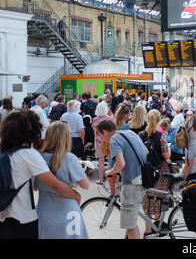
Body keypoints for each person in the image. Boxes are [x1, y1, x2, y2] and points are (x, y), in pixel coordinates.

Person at [0, 111, 81, 239]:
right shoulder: (28, 154)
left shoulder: (4, 152)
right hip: (23, 219)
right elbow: (56, 186)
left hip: (4, 218)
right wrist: (75, 195)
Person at [95, 119, 148, 239]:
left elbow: (120, 164)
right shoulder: (129, 133)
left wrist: (110, 172)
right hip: (143, 178)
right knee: (132, 220)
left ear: (104, 131)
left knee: (129, 225)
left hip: (132, 182)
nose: (102, 139)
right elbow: (146, 151)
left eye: (100, 136)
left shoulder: (114, 140)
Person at [35, 122, 90, 239]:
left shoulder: (37, 157)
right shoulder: (69, 158)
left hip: (45, 210)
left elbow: (34, 186)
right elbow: (85, 185)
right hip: (69, 211)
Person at [138, 110, 171, 238]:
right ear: (158, 121)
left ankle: (148, 229)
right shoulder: (160, 136)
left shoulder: (141, 135)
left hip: (146, 171)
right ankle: (158, 223)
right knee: (158, 198)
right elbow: (166, 155)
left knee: (147, 199)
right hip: (161, 171)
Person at [93, 101, 113, 184]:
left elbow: (95, 132)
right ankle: (110, 178)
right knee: (110, 159)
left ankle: (100, 179)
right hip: (109, 140)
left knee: (101, 160)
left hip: (98, 141)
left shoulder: (95, 119)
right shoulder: (110, 118)